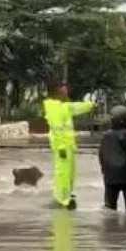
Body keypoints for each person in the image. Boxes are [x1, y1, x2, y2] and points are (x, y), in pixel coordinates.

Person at [43, 82, 95, 211]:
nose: (65, 94)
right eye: (62, 92)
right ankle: (62, 198)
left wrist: (90, 105)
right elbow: (57, 129)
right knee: (63, 173)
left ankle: (67, 194)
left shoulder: (64, 106)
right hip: (62, 147)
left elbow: (76, 107)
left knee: (70, 172)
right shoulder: (53, 108)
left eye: (66, 92)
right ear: (55, 94)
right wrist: (61, 147)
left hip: (68, 146)